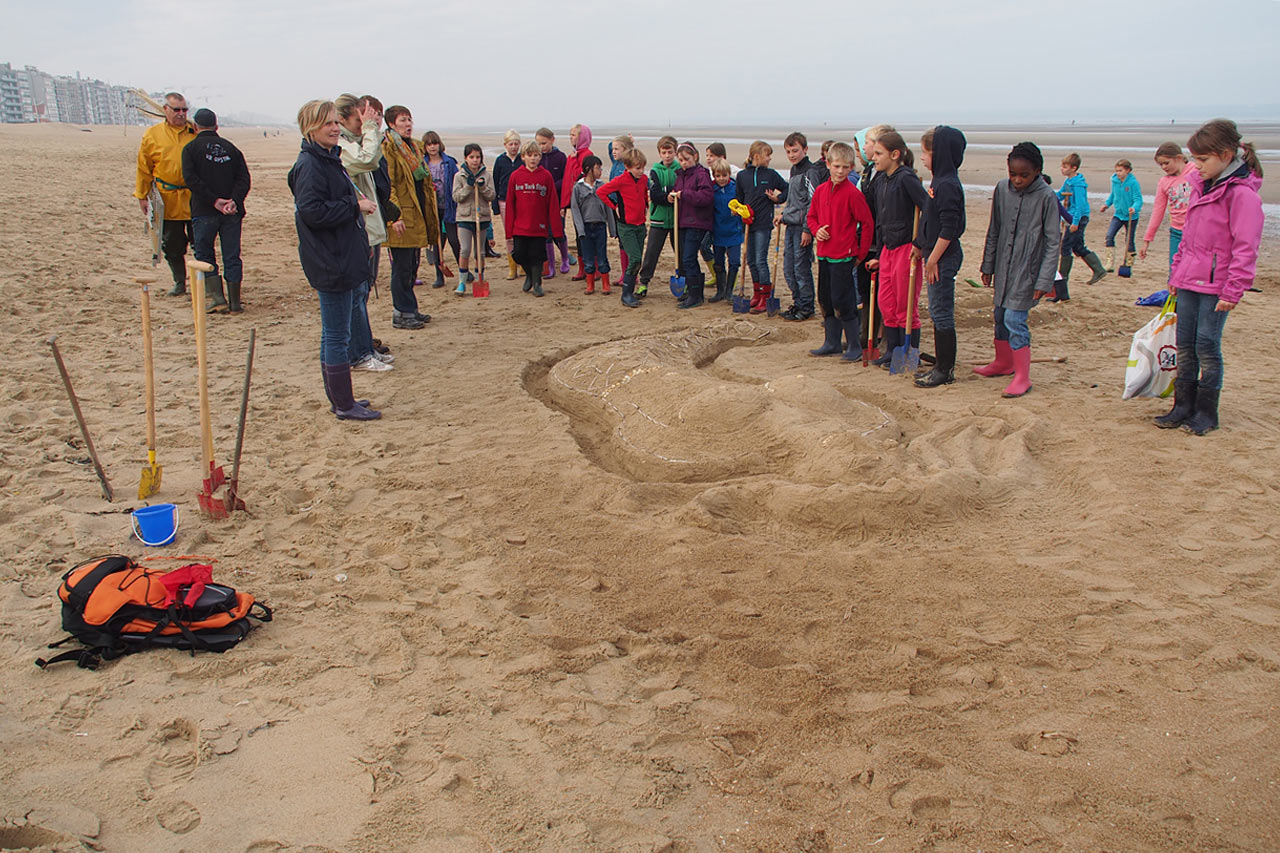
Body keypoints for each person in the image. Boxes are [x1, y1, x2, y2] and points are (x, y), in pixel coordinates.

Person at [1154, 119, 1264, 435]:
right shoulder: (1200, 187)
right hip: (1188, 280)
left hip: (1217, 285)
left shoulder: (1242, 195)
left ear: (1226, 154)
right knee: (1184, 343)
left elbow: (1246, 247)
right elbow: (1187, 237)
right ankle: (1182, 406)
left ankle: (1206, 413)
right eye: (1195, 159)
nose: (1196, 166)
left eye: (1202, 160)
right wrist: (1176, 272)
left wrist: (1234, 290)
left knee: (1206, 344)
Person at [287, 99, 381, 421]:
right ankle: (343, 403)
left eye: (335, 123)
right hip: (331, 262)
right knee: (336, 335)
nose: (334, 128)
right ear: (310, 127)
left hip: (342, 255)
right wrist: (354, 206)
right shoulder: (310, 165)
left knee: (336, 334)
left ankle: (342, 398)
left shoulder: (328, 159)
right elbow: (311, 212)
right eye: (327, 123)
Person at [974, 142, 1060, 398]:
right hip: (1003, 265)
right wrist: (988, 265)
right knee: (1000, 314)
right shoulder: (1002, 189)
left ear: (1037, 171)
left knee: (1015, 319)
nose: (1017, 179)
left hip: (1029, 270)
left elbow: (1053, 241)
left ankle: (1023, 376)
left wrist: (1045, 280)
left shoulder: (1046, 196)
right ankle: (1004, 362)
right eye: (1013, 174)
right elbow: (995, 228)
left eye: (1024, 175)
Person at [335, 94, 394, 372]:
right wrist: (371, 130)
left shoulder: (355, 142)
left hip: (369, 228)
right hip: (357, 228)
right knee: (357, 294)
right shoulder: (343, 146)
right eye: (363, 116)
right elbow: (368, 160)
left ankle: (364, 346)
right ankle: (357, 354)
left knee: (363, 292)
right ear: (346, 117)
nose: (369, 122)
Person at [864, 130, 929, 367]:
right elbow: (879, 219)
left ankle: (909, 353)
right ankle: (892, 351)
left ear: (895, 154)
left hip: (906, 247)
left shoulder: (906, 178)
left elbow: (927, 208)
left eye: (879, 153)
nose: (875, 158)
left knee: (905, 304)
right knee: (886, 303)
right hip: (887, 249)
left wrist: (919, 243)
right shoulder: (880, 179)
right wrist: (879, 253)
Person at [806, 142, 874, 361]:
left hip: (844, 256)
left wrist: (861, 253)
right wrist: (817, 231)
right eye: (836, 166)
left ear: (852, 167)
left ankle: (854, 345)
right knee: (825, 297)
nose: (840, 171)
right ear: (828, 164)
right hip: (824, 254)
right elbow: (811, 217)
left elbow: (867, 223)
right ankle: (832, 342)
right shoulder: (821, 191)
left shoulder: (853, 194)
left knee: (843, 300)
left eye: (845, 167)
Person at [181, 108, 250, 315]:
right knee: (232, 255)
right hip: (231, 212)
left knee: (204, 253)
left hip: (204, 211)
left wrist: (214, 201)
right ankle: (235, 303)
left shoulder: (190, 149)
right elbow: (244, 179)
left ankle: (218, 299)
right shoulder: (231, 148)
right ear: (216, 126)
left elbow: (190, 179)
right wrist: (233, 201)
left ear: (195, 127)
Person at [913, 126, 966, 387]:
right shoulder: (939, 180)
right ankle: (942, 360)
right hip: (932, 252)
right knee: (936, 310)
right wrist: (918, 244)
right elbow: (929, 220)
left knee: (941, 311)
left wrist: (932, 258)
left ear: (940, 154)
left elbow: (948, 228)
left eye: (926, 153)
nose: (922, 158)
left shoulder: (947, 185)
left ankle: (945, 370)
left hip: (943, 257)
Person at [380, 105, 438, 330]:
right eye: (403, 120)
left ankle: (410, 308)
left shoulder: (413, 147)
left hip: (418, 213)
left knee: (413, 264)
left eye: (410, 120)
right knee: (402, 266)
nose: (408, 124)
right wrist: (395, 216)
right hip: (402, 215)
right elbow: (389, 183)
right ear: (392, 124)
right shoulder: (390, 148)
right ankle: (401, 312)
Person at [135, 92, 197, 295]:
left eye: (184, 110)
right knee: (171, 245)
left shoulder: (194, 131)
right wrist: (142, 195)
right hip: (167, 200)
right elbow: (144, 167)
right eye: (176, 110)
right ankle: (180, 282)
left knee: (200, 242)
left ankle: (203, 283)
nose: (181, 114)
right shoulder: (152, 135)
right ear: (165, 110)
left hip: (195, 198)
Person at [505, 140, 563, 297]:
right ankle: (529, 275)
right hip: (520, 225)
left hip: (539, 225)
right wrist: (508, 229)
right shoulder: (515, 176)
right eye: (529, 155)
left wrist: (557, 229)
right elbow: (510, 203)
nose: (533, 159)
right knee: (519, 254)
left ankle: (537, 283)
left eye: (536, 155)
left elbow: (552, 203)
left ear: (540, 157)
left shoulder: (546, 176)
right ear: (523, 157)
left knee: (537, 255)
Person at [736, 140, 788, 313]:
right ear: (757, 156)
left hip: (764, 224)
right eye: (768, 155)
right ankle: (757, 294)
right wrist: (738, 210)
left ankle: (766, 297)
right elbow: (738, 199)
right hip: (748, 224)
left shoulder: (771, 175)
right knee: (750, 260)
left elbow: (787, 189)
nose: (770, 159)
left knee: (760, 259)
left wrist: (777, 199)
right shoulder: (743, 176)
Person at [596, 147, 649, 308]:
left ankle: (630, 292)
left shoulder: (644, 179)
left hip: (640, 225)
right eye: (637, 168)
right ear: (627, 167)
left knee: (638, 260)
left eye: (642, 167)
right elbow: (601, 192)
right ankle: (626, 294)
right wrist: (614, 206)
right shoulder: (621, 180)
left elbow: (644, 193)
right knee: (634, 259)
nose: (640, 171)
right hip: (626, 227)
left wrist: (646, 205)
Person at [856, 124, 893, 353]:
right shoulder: (868, 173)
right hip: (866, 238)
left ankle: (881, 337)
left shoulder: (886, 176)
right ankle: (868, 334)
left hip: (880, 240)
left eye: (868, 144)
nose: (865, 148)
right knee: (866, 290)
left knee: (883, 293)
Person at [777, 131, 818, 320]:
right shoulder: (793, 171)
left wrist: (807, 229)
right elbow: (794, 201)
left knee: (801, 269)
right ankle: (797, 302)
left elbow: (812, 202)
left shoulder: (810, 171)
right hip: (790, 225)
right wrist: (783, 215)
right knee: (789, 269)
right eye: (788, 152)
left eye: (795, 150)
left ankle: (806, 306)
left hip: (803, 228)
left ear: (805, 149)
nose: (792, 155)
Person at [670, 142, 715, 308]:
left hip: (697, 222)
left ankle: (695, 295)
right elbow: (679, 193)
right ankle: (693, 292)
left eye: (686, 159)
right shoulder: (680, 175)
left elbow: (706, 196)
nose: (683, 162)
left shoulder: (701, 174)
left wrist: (685, 195)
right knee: (685, 258)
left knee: (689, 258)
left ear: (695, 156)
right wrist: (673, 197)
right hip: (682, 221)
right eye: (680, 159)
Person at [1056, 153, 1107, 296]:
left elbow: (1080, 205)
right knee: (1078, 247)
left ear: (1074, 168)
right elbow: (1060, 195)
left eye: (1065, 167)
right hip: (1071, 216)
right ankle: (1098, 269)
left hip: (1078, 218)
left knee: (1066, 247)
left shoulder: (1078, 184)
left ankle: (1062, 281)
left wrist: (1075, 222)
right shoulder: (1068, 182)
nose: (1062, 169)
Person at [1141, 142, 1197, 272]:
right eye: (1161, 164)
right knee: (1175, 271)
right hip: (1177, 232)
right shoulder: (1164, 182)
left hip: (1197, 231)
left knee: (1194, 271)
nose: (1163, 167)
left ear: (1179, 158)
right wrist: (1147, 240)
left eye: (1166, 163)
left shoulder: (1196, 171)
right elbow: (1158, 211)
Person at [451, 143, 496, 295]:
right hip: (464, 218)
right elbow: (456, 197)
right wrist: (468, 187)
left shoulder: (487, 175)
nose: (475, 160)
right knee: (465, 250)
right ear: (466, 158)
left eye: (477, 157)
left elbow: (491, 196)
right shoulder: (459, 176)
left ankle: (479, 278)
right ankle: (462, 281)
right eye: (471, 157)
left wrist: (482, 187)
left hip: (481, 217)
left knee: (480, 252)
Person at [638, 136, 680, 297]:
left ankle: (684, 281)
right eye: (664, 152)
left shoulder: (679, 169)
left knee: (681, 252)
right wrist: (667, 195)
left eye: (670, 152)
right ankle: (644, 282)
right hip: (658, 219)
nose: (667, 155)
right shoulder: (655, 171)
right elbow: (654, 193)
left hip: (677, 219)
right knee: (652, 253)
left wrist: (668, 191)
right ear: (660, 153)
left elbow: (679, 187)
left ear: (675, 152)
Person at [570, 155, 615, 294]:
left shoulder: (602, 186)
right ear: (589, 169)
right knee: (588, 257)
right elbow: (575, 209)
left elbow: (608, 208)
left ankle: (605, 283)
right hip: (586, 227)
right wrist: (580, 230)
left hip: (600, 226)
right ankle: (590, 284)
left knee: (602, 256)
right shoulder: (578, 188)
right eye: (597, 168)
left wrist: (612, 229)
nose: (600, 171)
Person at [422, 131, 459, 288]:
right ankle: (439, 275)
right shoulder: (422, 164)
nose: (432, 147)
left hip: (449, 207)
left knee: (454, 240)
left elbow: (457, 180)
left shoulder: (449, 162)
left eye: (434, 143)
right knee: (437, 243)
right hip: (433, 209)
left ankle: (463, 270)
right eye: (429, 144)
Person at [535, 128, 573, 276]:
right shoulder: (536, 158)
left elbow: (565, 179)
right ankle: (550, 265)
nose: (542, 147)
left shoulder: (560, 157)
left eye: (544, 143)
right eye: (539, 144)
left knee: (559, 232)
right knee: (546, 234)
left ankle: (565, 259)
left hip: (557, 201)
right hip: (541, 202)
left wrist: (551, 187)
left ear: (552, 140)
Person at [561, 124, 595, 281]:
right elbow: (567, 182)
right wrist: (564, 204)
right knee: (579, 235)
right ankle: (583, 268)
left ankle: (592, 268)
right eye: (570, 135)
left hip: (587, 204)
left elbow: (581, 177)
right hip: (575, 203)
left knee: (589, 235)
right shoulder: (573, 155)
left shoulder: (587, 155)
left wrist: (575, 161)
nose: (571, 138)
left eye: (574, 135)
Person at [1100, 159, 1143, 270]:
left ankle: (1129, 263)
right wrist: (1106, 205)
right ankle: (1110, 263)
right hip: (1118, 214)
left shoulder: (1133, 183)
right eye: (1117, 171)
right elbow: (1113, 195)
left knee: (1129, 239)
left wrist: (1134, 208)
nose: (1118, 173)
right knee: (1109, 235)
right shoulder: (1114, 181)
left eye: (1121, 171)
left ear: (1127, 170)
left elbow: (1138, 199)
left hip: (1131, 216)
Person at [709, 161, 741, 304]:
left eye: (724, 175)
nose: (721, 178)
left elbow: (744, 205)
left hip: (734, 231)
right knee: (719, 262)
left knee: (734, 262)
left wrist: (739, 211)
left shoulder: (735, 188)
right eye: (718, 175)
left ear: (729, 174)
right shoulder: (711, 189)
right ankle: (720, 291)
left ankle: (729, 291)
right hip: (718, 231)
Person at [492, 130, 523, 280]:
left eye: (516, 144)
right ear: (505, 145)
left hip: (521, 201)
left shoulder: (522, 160)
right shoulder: (500, 161)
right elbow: (495, 182)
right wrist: (495, 204)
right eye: (511, 144)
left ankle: (522, 263)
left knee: (522, 232)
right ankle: (512, 267)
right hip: (504, 201)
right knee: (509, 234)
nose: (514, 147)